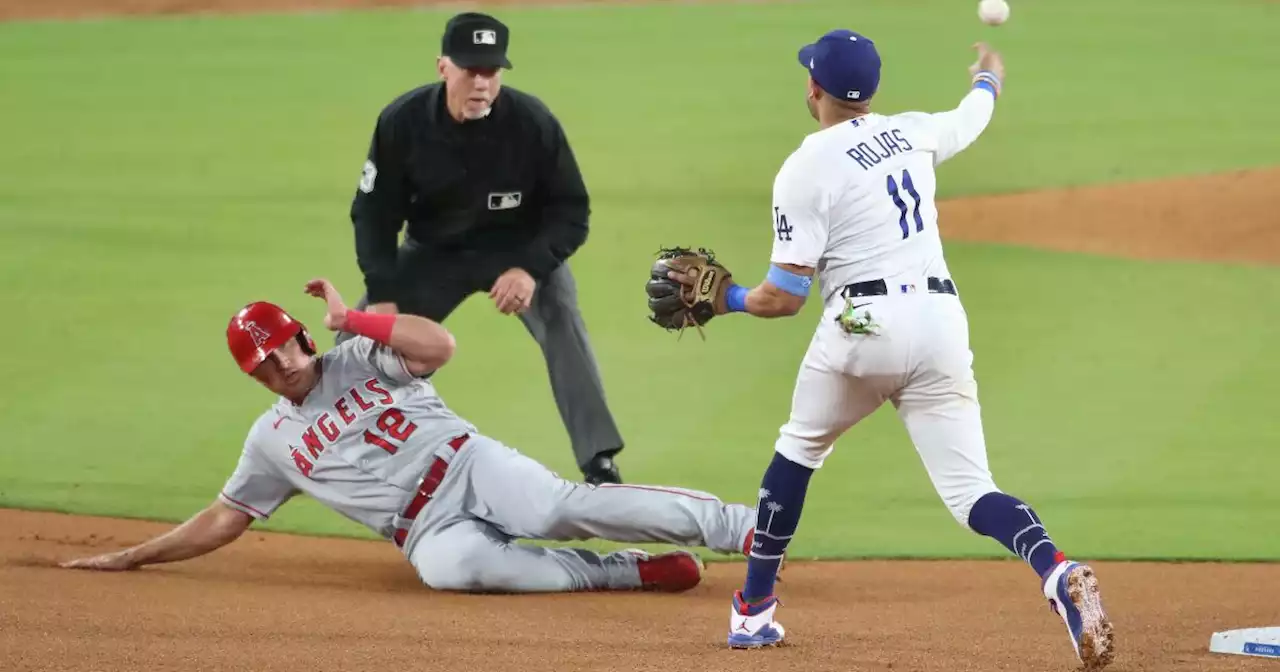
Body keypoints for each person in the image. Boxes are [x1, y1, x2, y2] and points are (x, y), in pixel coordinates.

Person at [661, 33, 1115, 668]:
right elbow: (972, 117)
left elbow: (786, 296)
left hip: (862, 327)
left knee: (798, 449)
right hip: (939, 324)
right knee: (972, 492)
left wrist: (728, 297)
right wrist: (989, 77)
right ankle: (1055, 569)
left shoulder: (805, 166)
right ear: (870, 93)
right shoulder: (914, 131)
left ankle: (754, 612)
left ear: (813, 89)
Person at [58, 278, 757, 595]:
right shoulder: (270, 439)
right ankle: (629, 573)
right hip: (421, 530)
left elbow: (441, 345)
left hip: (469, 464)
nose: (275, 367)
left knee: (557, 508)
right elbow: (223, 516)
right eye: (260, 364)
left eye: (280, 350)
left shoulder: (357, 356)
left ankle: (739, 528)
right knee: (461, 573)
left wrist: (354, 321)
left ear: (303, 338)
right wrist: (133, 557)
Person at [342, 11, 625, 485]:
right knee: (356, 339)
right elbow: (373, 214)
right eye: (470, 70)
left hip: (518, 252)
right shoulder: (403, 122)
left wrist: (530, 270)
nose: (481, 83)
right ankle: (336, 449)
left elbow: (571, 211)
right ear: (443, 67)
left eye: (490, 71)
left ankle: (599, 460)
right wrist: (383, 292)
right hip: (433, 254)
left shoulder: (532, 122)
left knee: (563, 321)